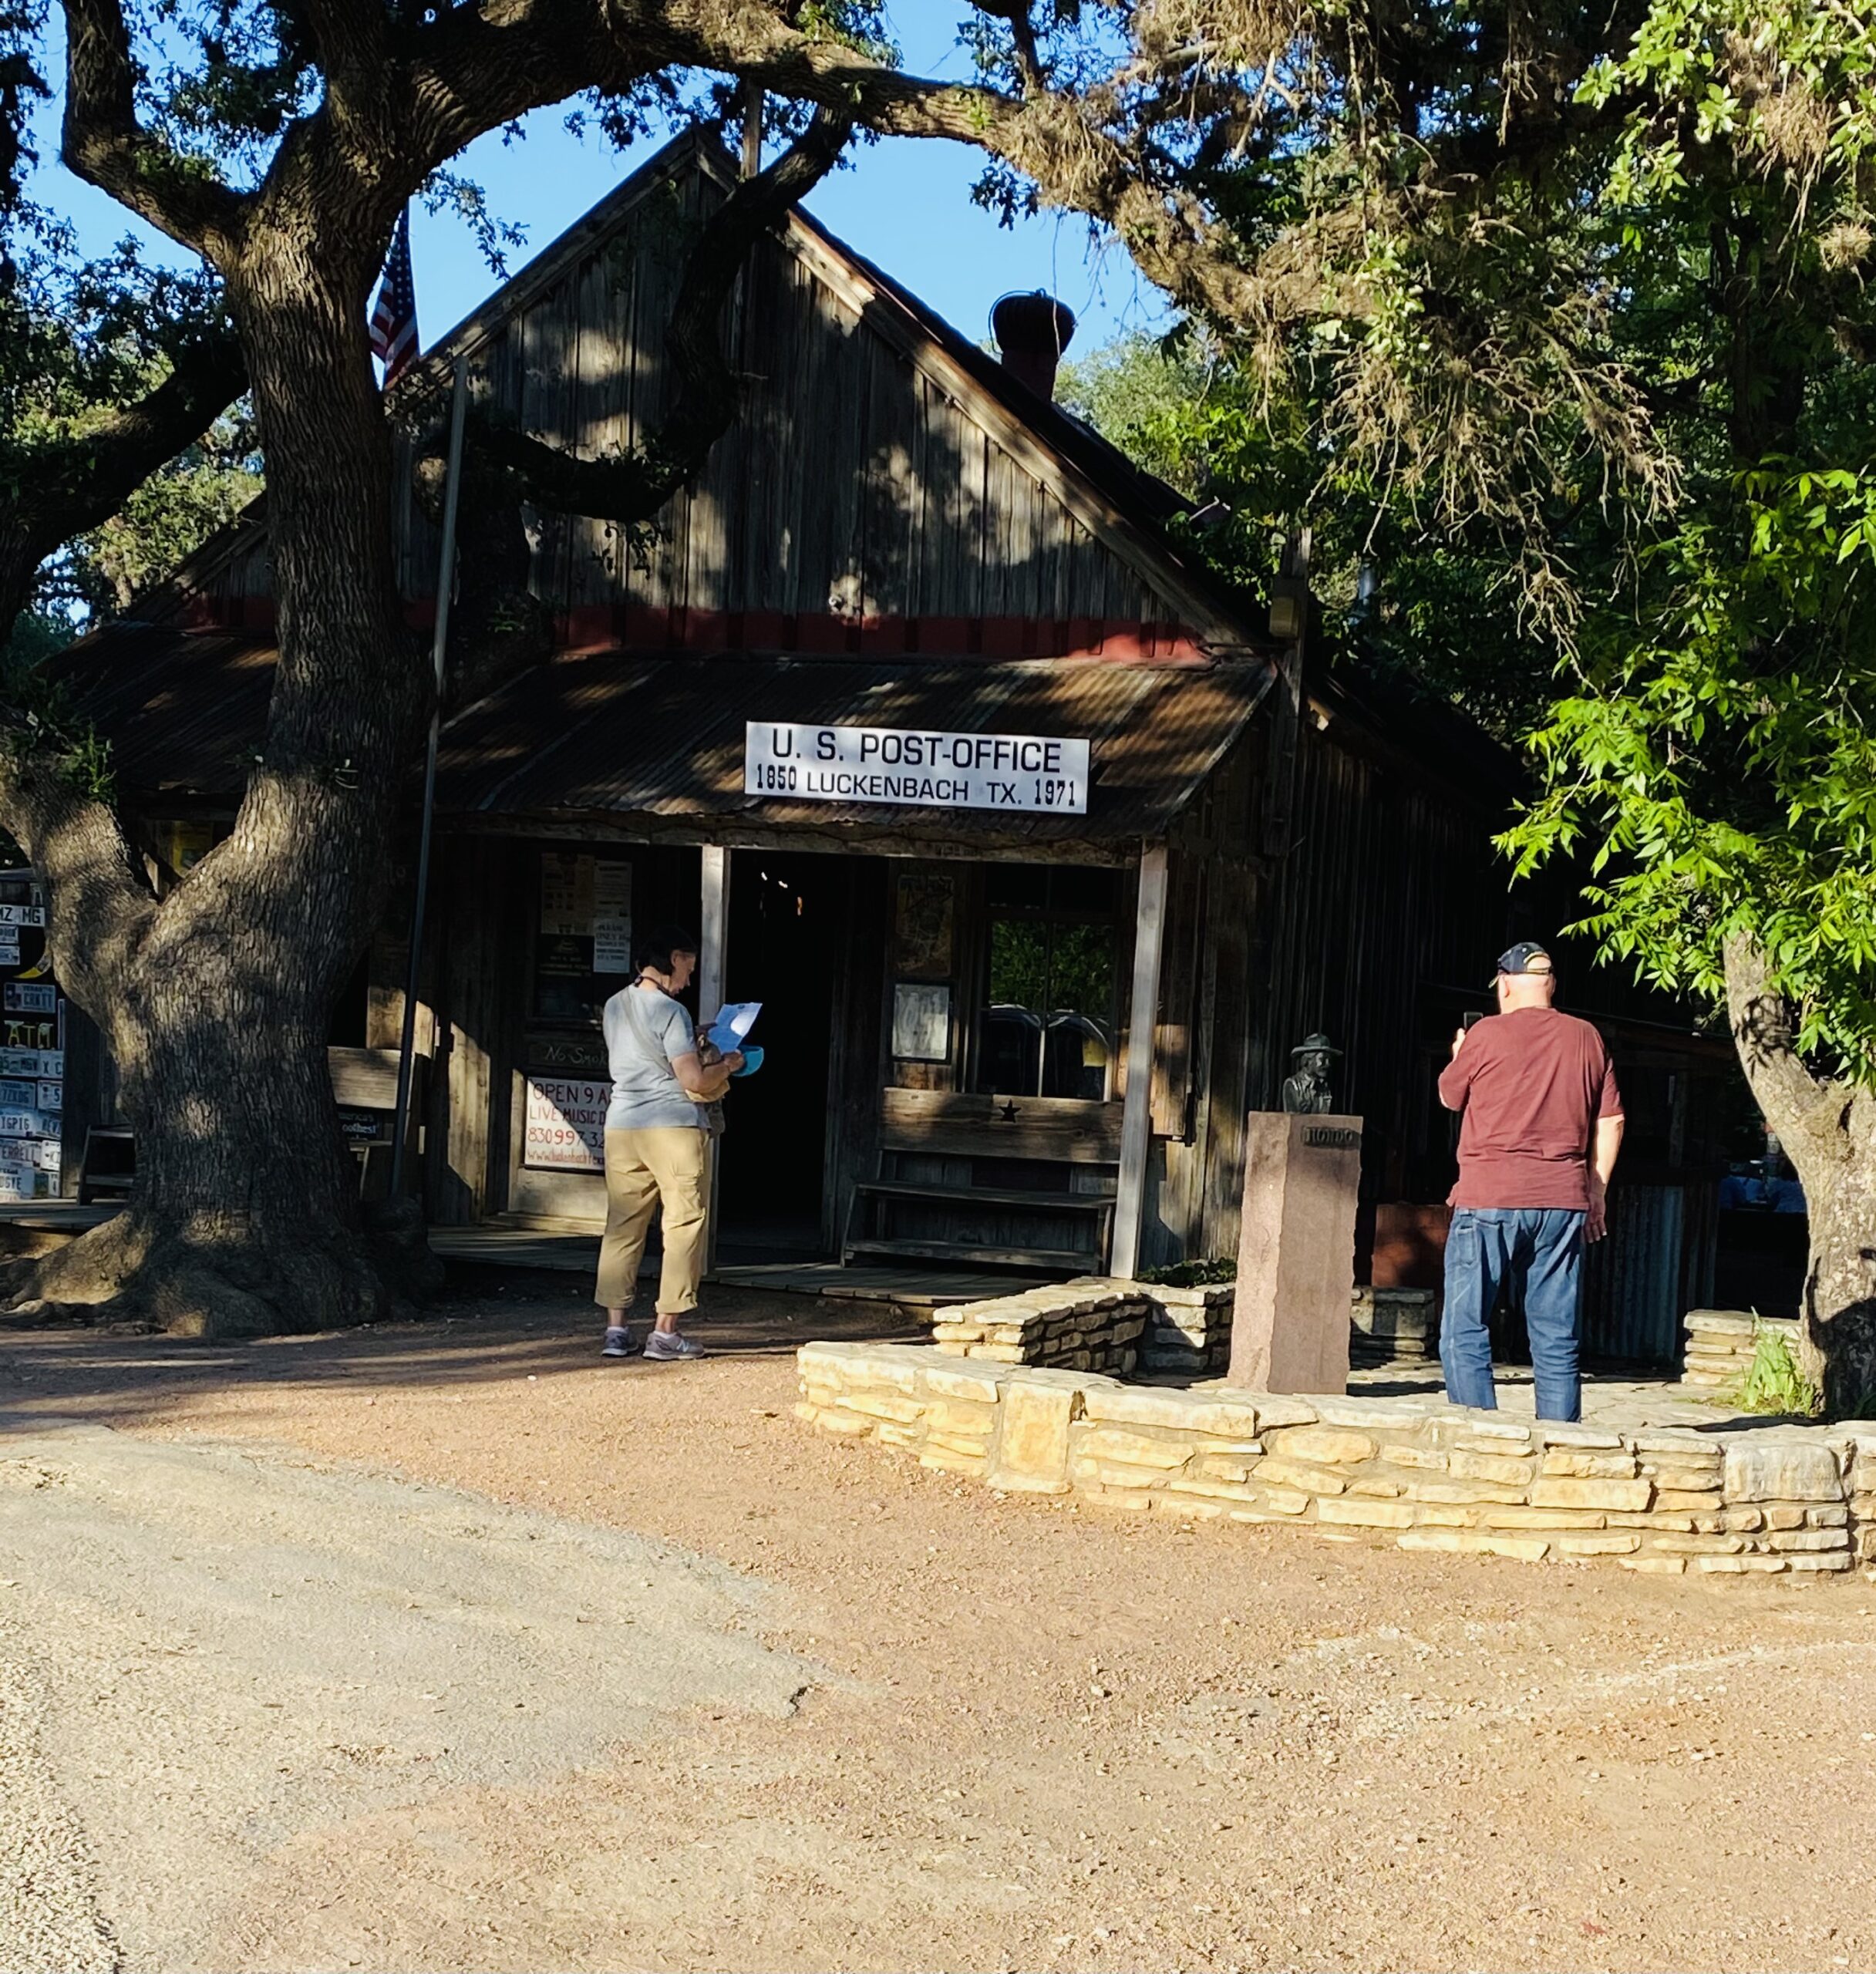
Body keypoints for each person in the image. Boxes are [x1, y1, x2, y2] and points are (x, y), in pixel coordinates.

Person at [1436, 941, 1625, 1422]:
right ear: (1551, 986)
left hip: (1488, 1198)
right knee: (1556, 1333)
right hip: (1562, 1200)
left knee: (1465, 1327)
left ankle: (1480, 1439)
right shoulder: (1588, 1037)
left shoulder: (1486, 1035)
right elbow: (1612, 1121)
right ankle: (1562, 1444)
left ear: (1504, 985)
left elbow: (1449, 1096)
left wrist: (1460, 1053)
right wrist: (1596, 1190)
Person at [595, 925, 742, 1362]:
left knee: (623, 1226)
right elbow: (693, 1079)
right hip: (672, 1127)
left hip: (622, 1125)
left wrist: (693, 1032)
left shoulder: (614, 1004)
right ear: (673, 958)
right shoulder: (671, 1012)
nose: (689, 979)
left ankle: (616, 1330)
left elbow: (644, 1058)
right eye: (688, 968)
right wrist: (730, 1064)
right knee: (682, 1226)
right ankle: (666, 1330)